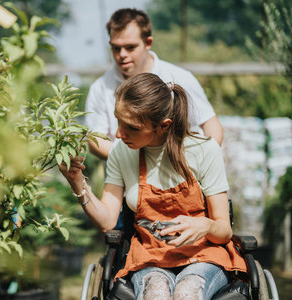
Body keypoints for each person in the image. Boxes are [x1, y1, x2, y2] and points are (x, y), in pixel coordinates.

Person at [59, 73, 246, 299]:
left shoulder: (204, 151)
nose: (119, 134)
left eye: (132, 127)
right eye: (118, 121)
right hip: (149, 256)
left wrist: (205, 226)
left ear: (162, 126)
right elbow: (108, 221)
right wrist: (77, 182)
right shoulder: (122, 152)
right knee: (156, 292)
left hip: (203, 255)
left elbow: (224, 230)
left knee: (187, 290)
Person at [85, 8, 223, 160]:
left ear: (148, 43)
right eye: (116, 48)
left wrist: (205, 163)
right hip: (125, 181)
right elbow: (95, 140)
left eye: (130, 47)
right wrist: (131, 166)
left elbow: (211, 125)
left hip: (181, 175)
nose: (122, 54)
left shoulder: (179, 77)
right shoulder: (100, 88)